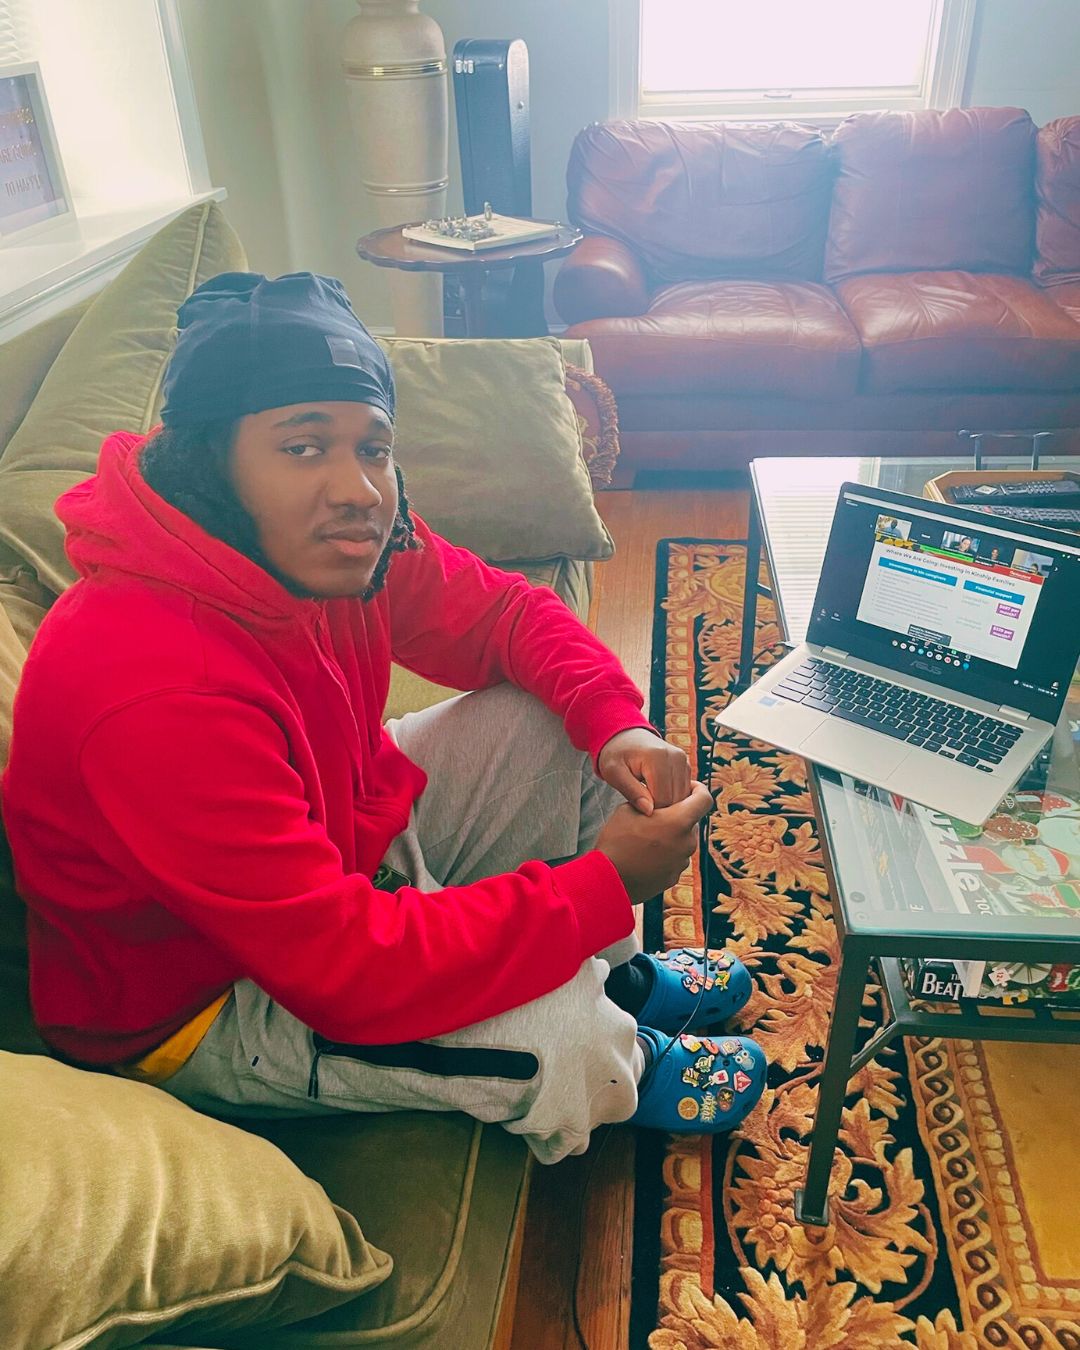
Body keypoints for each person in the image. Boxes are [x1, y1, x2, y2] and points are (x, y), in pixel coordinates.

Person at [1, 272, 767, 1164]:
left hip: (327, 850)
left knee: (554, 721)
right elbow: (346, 969)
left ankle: (616, 981)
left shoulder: (334, 544)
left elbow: (505, 618)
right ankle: (618, 1050)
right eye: (303, 447)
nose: (356, 488)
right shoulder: (151, 693)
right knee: (569, 1041)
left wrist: (615, 723)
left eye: (373, 447)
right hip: (205, 998)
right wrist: (599, 883)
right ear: (210, 463)